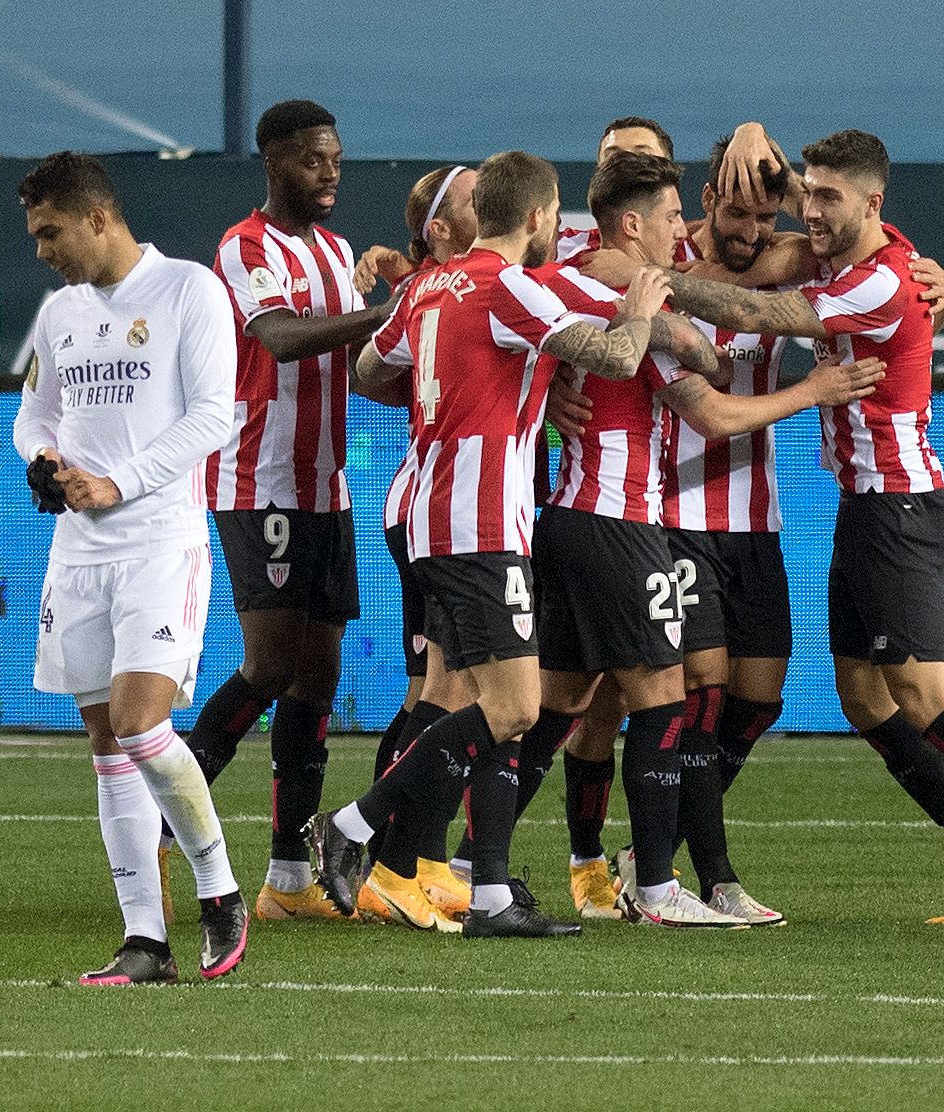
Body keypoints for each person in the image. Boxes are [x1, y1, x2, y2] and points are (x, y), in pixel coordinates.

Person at [594, 130, 944, 927]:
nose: (801, 215)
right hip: (825, 510)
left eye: (819, 201)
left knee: (923, 696)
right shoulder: (847, 255)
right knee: (864, 699)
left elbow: (764, 309)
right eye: (803, 197)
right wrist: (758, 138)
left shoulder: (866, 280)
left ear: (871, 204)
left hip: (894, 508)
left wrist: (655, 287)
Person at [304, 150, 724, 937]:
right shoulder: (509, 288)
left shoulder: (427, 285)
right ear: (537, 218)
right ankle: (356, 828)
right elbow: (619, 358)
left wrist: (460, 388)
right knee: (514, 708)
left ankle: (484, 890)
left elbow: (366, 369)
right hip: (482, 522)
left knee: (458, 696)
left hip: (427, 513)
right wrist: (636, 306)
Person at [511, 151, 885, 928]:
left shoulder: (778, 266)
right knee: (673, 701)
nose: (751, 230)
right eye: (726, 213)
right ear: (693, 209)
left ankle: (457, 859)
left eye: (766, 216)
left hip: (743, 521)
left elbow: (854, 230)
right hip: (662, 521)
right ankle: (686, 878)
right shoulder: (635, 277)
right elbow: (695, 387)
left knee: (735, 701)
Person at [14, 151, 248, 984]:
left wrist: (120, 481)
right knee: (107, 743)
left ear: (97, 219)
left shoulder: (189, 290)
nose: (42, 250)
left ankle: (220, 890)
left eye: (50, 232)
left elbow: (214, 415)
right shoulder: (59, 315)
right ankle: (144, 941)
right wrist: (45, 460)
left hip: (158, 541)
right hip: (78, 554)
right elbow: (33, 414)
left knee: (143, 724)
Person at [185, 99, 394, 921]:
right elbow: (278, 337)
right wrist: (386, 310)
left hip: (325, 489)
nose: (331, 171)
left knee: (318, 676)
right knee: (268, 665)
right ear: (275, 164)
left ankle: (287, 878)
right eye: (314, 159)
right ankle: (156, 823)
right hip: (259, 479)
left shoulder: (339, 252)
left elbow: (362, 349)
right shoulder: (245, 247)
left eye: (337, 157)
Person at [346, 165, 483, 927]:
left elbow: (373, 373)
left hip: (461, 512)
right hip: (445, 513)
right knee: (447, 690)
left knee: (440, 690)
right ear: (437, 227)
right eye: (470, 201)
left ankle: (417, 860)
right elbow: (371, 372)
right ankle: (388, 860)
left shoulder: (455, 286)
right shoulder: (452, 289)